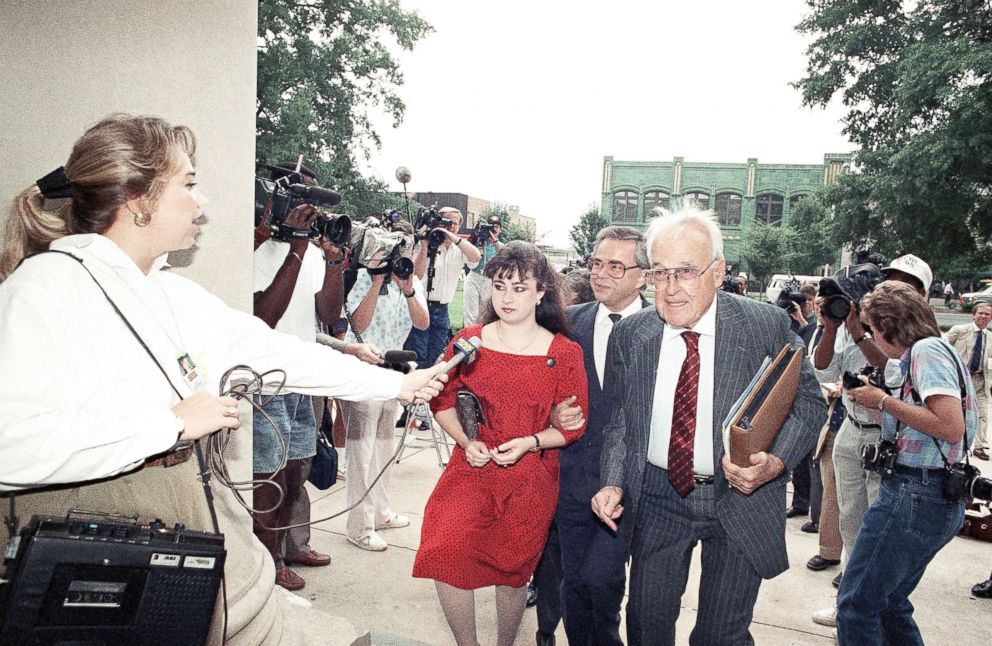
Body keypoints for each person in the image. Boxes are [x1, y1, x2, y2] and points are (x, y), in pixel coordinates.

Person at [0, 114, 447, 645]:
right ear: (139, 199)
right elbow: (10, 447)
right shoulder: (46, 287)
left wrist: (397, 387)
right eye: (187, 184)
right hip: (113, 566)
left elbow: (276, 351)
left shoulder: (166, 291)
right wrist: (166, 426)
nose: (202, 201)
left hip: (204, 562)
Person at [592, 207, 825, 645]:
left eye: (685, 272)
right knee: (645, 624)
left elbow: (809, 403)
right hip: (660, 497)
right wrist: (613, 481)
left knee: (721, 635)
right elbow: (622, 421)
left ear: (718, 272)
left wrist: (775, 463)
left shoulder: (763, 325)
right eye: (660, 273)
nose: (671, 288)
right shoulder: (633, 335)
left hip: (740, 496)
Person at [413, 241, 588, 646]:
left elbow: (573, 427)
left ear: (542, 291)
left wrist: (530, 441)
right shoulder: (469, 341)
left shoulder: (564, 352)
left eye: (520, 288)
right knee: (444, 550)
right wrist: (464, 439)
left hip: (531, 475)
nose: (507, 297)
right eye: (500, 286)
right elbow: (440, 400)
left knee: (511, 572)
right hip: (471, 467)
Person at [838, 281, 976, 644]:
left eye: (872, 329)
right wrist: (878, 399)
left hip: (915, 491)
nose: (873, 336)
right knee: (890, 604)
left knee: (856, 606)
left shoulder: (927, 351)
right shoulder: (936, 351)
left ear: (889, 324)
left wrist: (883, 402)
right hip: (931, 495)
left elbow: (948, 425)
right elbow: (927, 414)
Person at [539, 226, 650, 646]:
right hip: (575, 475)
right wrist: (551, 411)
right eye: (596, 263)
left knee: (602, 581)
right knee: (573, 582)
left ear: (643, 275)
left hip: (639, 483)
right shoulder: (571, 325)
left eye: (615, 266)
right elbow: (543, 388)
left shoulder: (665, 327)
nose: (600, 274)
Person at [810, 253, 933, 626]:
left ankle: (872, 606)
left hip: (890, 437)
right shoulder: (857, 320)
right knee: (851, 520)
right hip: (851, 428)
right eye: (889, 280)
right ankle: (850, 597)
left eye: (906, 284)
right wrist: (833, 327)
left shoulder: (922, 338)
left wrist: (861, 332)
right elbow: (823, 367)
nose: (894, 288)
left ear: (923, 294)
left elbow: (890, 369)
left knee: (880, 530)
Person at [252, 163, 345, 591]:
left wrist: (334, 264)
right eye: (299, 198)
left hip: (301, 379)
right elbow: (264, 316)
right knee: (267, 481)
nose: (307, 210)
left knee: (295, 474)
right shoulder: (255, 247)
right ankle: (264, 565)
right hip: (264, 382)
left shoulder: (306, 249)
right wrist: (293, 245)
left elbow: (327, 313)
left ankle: (283, 550)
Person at [340, 221, 429, 551]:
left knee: (383, 447)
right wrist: (377, 282)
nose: (398, 259)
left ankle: (380, 512)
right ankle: (359, 526)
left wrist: (406, 288)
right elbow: (358, 323)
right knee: (360, 451)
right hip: (363, 368)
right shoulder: (362, 277)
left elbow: (422, 322)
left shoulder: (411, 280)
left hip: (393, 369)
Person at [405, 206, 481, 368]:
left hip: (442, 310)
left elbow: (475, 258)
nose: (451, 226)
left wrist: (454, 238)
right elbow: (416, 276)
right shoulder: (426, 243)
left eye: (455, 223)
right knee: (416, 354)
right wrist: (425, 245)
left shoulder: (459, 249)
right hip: (420, 306)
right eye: (446, 221)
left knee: (436, 355)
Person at [945, 301, 992, 460]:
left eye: (987, 314)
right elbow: (942, 348)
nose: (983, 316)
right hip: (959, 379)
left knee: (983, 414)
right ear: (974, 315)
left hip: (980, 380)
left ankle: (980, 447)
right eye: (981, 313)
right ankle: (951, 443)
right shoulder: (959, 330)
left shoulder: (991, 337)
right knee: (955, 411)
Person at [462, 214, 502, 326]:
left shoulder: (500, 245)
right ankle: (469, 337)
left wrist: (495, 242)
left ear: (500, 230)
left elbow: (504, 256)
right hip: (474, 276)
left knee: (485, 313)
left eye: (497, 227)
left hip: (489, 280)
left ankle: (483, 337)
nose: (494, 229)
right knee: (471, 313)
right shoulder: (477, 242)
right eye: (491, 226)